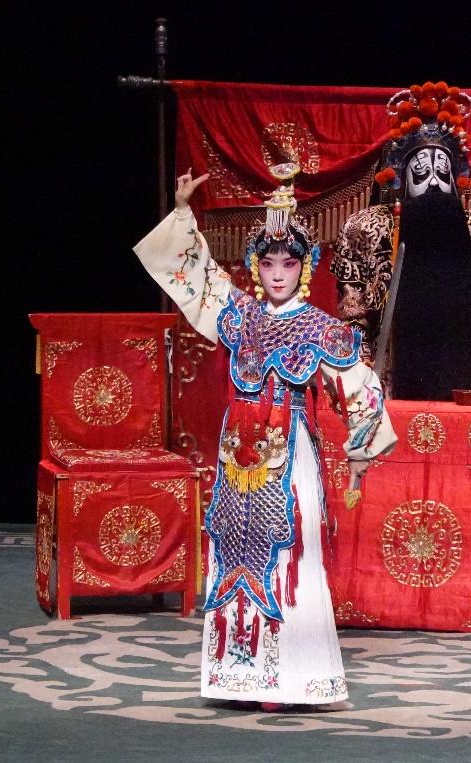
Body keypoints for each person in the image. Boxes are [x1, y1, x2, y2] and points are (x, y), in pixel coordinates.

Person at [134, 163, 396, 711]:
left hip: (290, 450)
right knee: (233, 544)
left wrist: (360, 448)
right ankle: (239, 677)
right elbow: (196, 273)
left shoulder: (321, 328)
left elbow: (358, 384)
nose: (278, 274)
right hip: (237, 451)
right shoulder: (240, 313)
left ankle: (297, 679)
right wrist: (182, 213)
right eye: (268, 262)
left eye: (289, 263)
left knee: (291, 553)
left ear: (305, 267)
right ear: (255, 266)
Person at [332, 82, 471, 401]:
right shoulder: (367, 229)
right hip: (392, 370)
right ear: (403, 179)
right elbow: (354, 310)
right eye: (422, 174)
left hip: (469, 367)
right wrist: (358, 365)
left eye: (442, 173)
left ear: (454, 177)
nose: (434, 183)